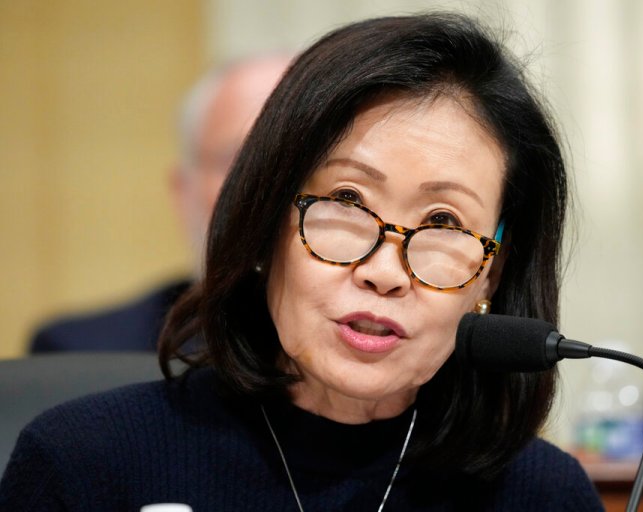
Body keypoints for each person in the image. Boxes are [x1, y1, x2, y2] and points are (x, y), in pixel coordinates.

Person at [0, 13, 604, 511]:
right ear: (265, 225)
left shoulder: (544, 496)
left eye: (443, 223)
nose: (384, 272)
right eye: (348, 201)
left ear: (491, 272)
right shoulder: (85, 464)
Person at [28, 54, 290, 352]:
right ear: (184, 192)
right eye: (239, 162)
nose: (270, 187)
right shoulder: (82, 353)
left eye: (298, 162)